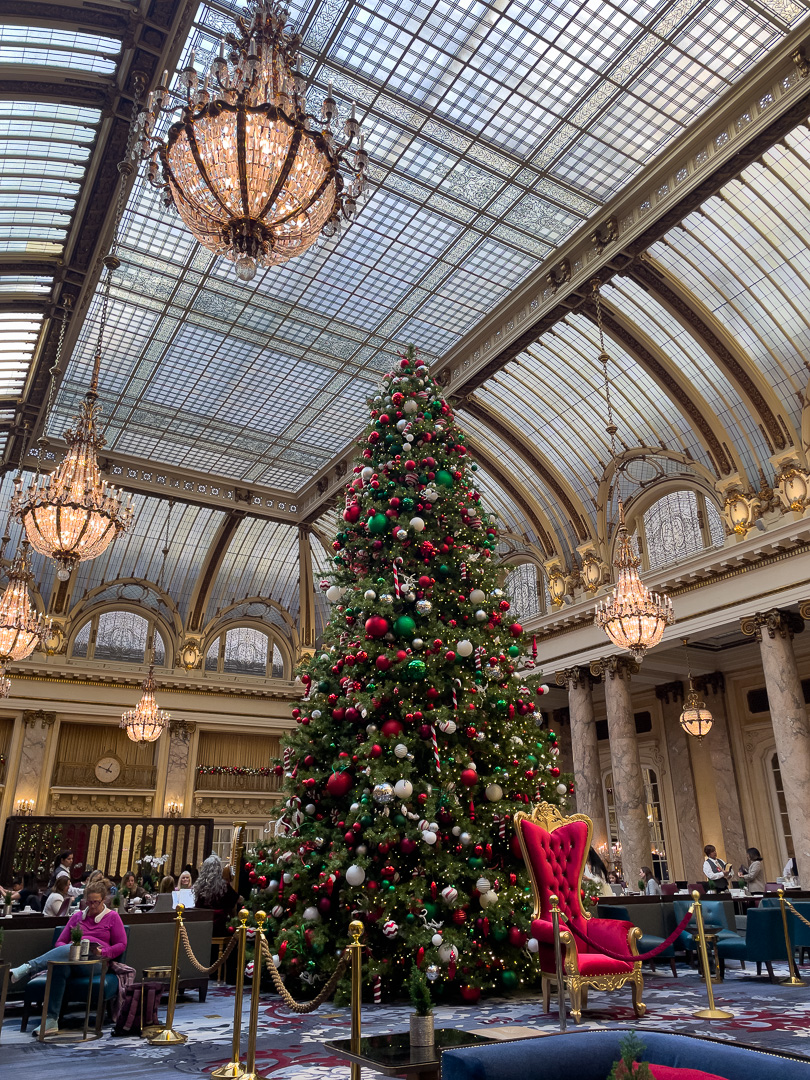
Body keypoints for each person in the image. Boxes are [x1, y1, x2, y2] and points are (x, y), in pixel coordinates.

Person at [9, 880, 126, 1036]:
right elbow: (60, 942)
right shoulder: (78, 917)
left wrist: (102, 952)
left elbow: (121, 944)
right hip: (72, 960)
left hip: (95, 963)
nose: (92, 906)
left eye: (96, 902)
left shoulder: (112, 917)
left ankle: (27, 968)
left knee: (68, 953)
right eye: (89, 902)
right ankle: (51, 1021)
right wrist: (69, 950)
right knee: (61, 965)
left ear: (103, 900)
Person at [193, 853, 239, 936]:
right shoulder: (224, 886)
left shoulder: (199, 886)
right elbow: (235, 900)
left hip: (202, 927)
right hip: (220, 927)